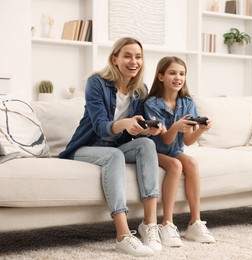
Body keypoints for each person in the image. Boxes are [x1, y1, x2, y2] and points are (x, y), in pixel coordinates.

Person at [59, 37, 163, 257]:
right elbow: (99, 127)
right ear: (114, 59)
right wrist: (124, 123)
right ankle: (123, 235)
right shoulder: (96, 82)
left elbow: (140, 124)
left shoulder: (140, 89)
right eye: (127, 56)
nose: (134, 61)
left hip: (117, 145)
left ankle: (150, 225)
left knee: (146, 144)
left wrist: (149, 128)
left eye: (138, 56)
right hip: (87, 146)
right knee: (114, 155)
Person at [144, 56, 216, 247]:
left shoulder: (187, 102)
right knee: (175, 165)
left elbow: (187, 141)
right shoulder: (151, 104)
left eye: (182, 74)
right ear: (161, 76)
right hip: (154, 151)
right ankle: (167, 223)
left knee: (191, 162)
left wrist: (201, 129)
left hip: (174, 150)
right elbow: (165, 138)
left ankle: (195, 222)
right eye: (172, 73)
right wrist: (175, 126)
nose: (178, 77)